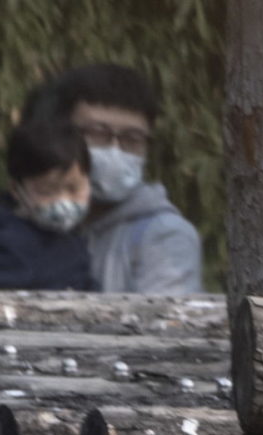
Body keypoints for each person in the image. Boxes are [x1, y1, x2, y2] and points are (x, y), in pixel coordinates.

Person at [28, 64, 204, 293]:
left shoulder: (165, 236)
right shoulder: (35, 216)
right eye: (98, 133)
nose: (115, 150)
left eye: (132, 138)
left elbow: (166, 324)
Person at [0, 115, 97, 290]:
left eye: (74, 189)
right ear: (16, 190)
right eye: (47, 191)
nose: (64, 201)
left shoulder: (72, 237)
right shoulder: (9, 247)